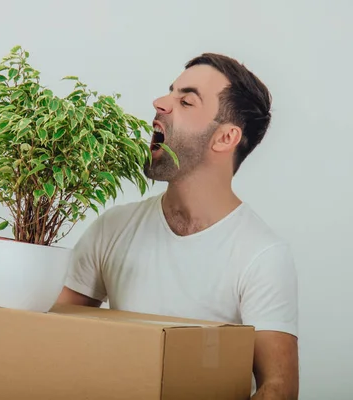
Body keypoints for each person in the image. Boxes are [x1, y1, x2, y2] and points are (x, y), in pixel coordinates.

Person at [56, 53, 299, 399]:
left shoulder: (261, 255)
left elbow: (279, 389)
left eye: (186, 101)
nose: (159, 103)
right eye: (170, 93)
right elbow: (52, 337)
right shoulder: (113, 228)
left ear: (225, 138)